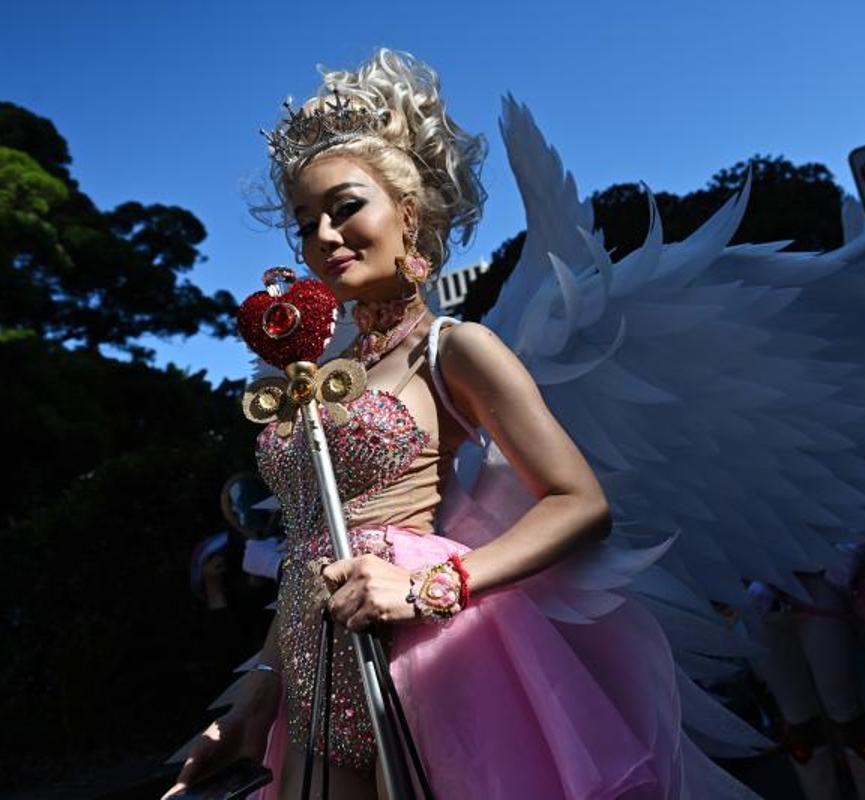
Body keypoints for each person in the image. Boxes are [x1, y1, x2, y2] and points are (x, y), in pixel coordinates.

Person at [166, 49, 723, 800]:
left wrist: (429, 586)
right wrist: (249, 703)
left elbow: (580, 504)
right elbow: (307, 552)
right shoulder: (322, 376)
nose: (324, 236)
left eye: (344, 207)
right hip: (313, 670)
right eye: (305, 223)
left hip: (430, 663)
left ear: (410, 213)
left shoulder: (454, 349)